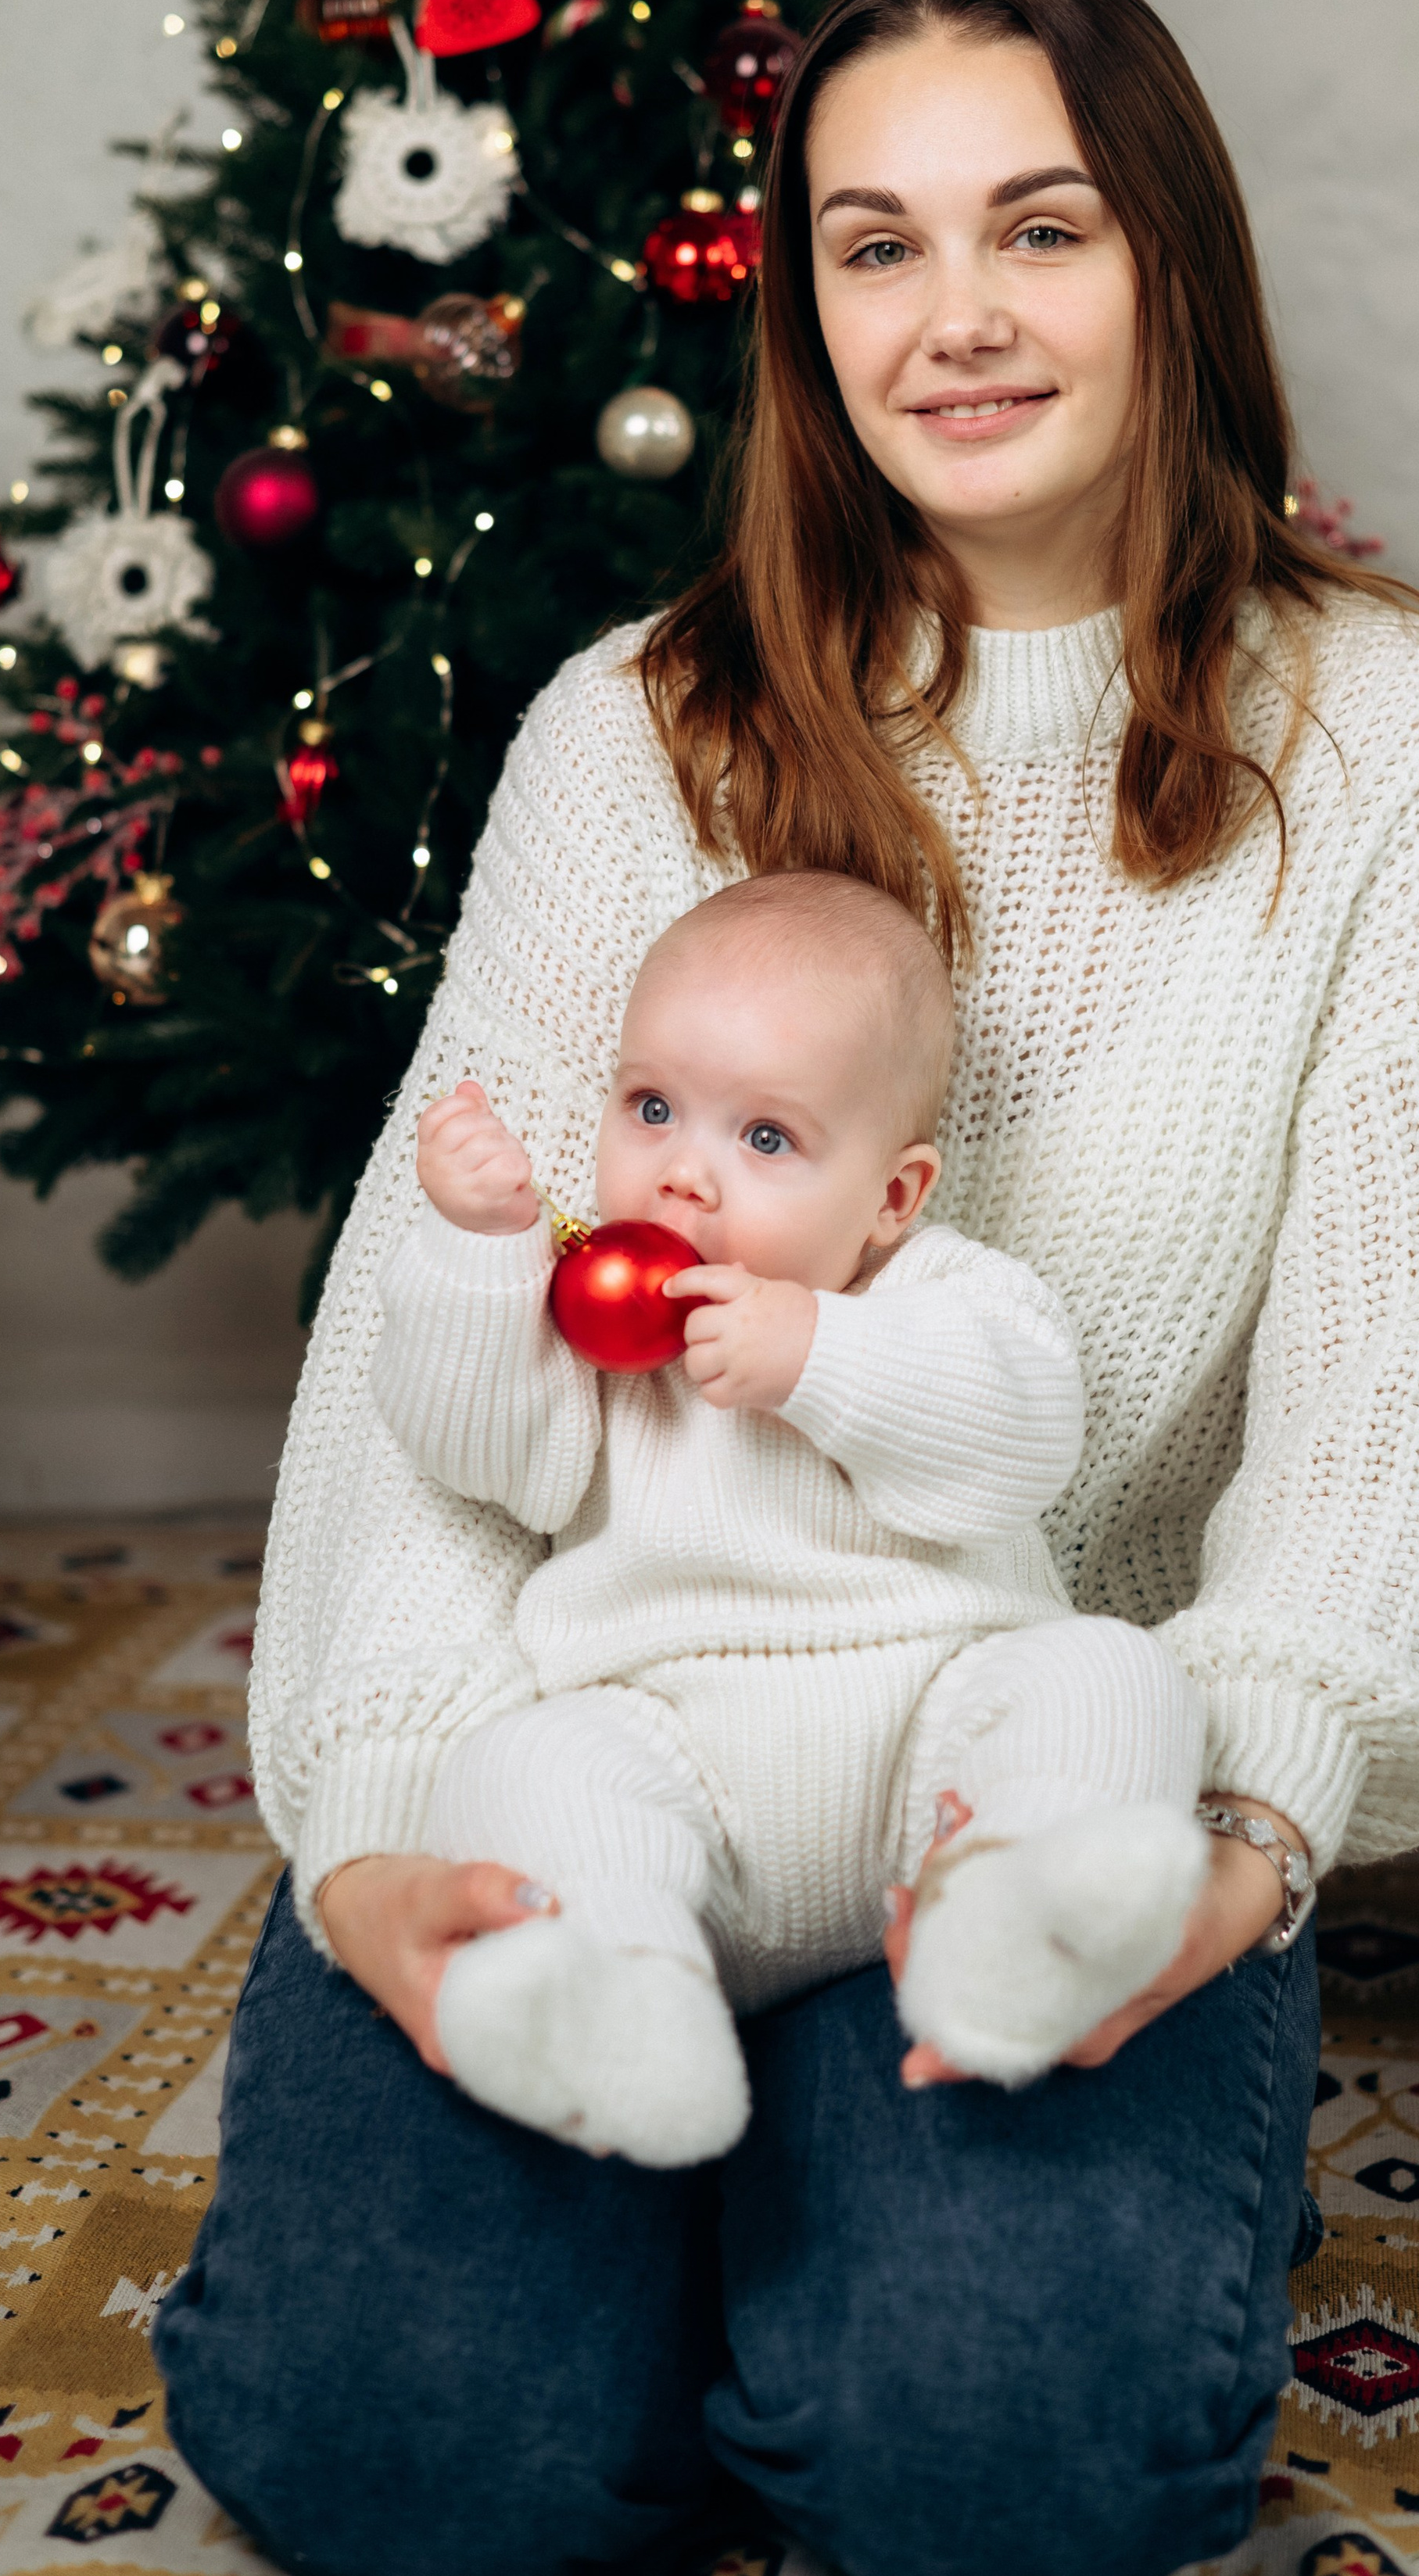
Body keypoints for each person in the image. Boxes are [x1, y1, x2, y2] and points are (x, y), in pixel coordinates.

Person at [156, 0, 1419, 2576]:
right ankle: (677, 2188)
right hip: (604, 1728)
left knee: (1001, 2477)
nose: (957, 318)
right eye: (873, 243)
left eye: (1036, 227)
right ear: (802, 307)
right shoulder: (636, 730)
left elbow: (1418, 1401)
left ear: (1173, 257)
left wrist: (1246, 1825)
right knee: (411, 2446)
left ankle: (829, 2198)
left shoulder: (1408, 746)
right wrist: (371, 1815)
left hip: (1028, 1768)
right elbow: (419, 1369)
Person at [377, 870, 1210, 2166]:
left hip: (936, 1741)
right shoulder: (594, 1319)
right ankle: (621, 1996)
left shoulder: (945, 1291)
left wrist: (823, 1356)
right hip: (670, 1755)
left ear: (892, 1194)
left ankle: (1025, 1912)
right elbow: (479, 1450)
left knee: (1115, 1670)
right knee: (516, 1768)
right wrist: (478, 1251)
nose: (684, 1176)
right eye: (652, 1108)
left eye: (764, 1139)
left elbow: (1019, 1444)